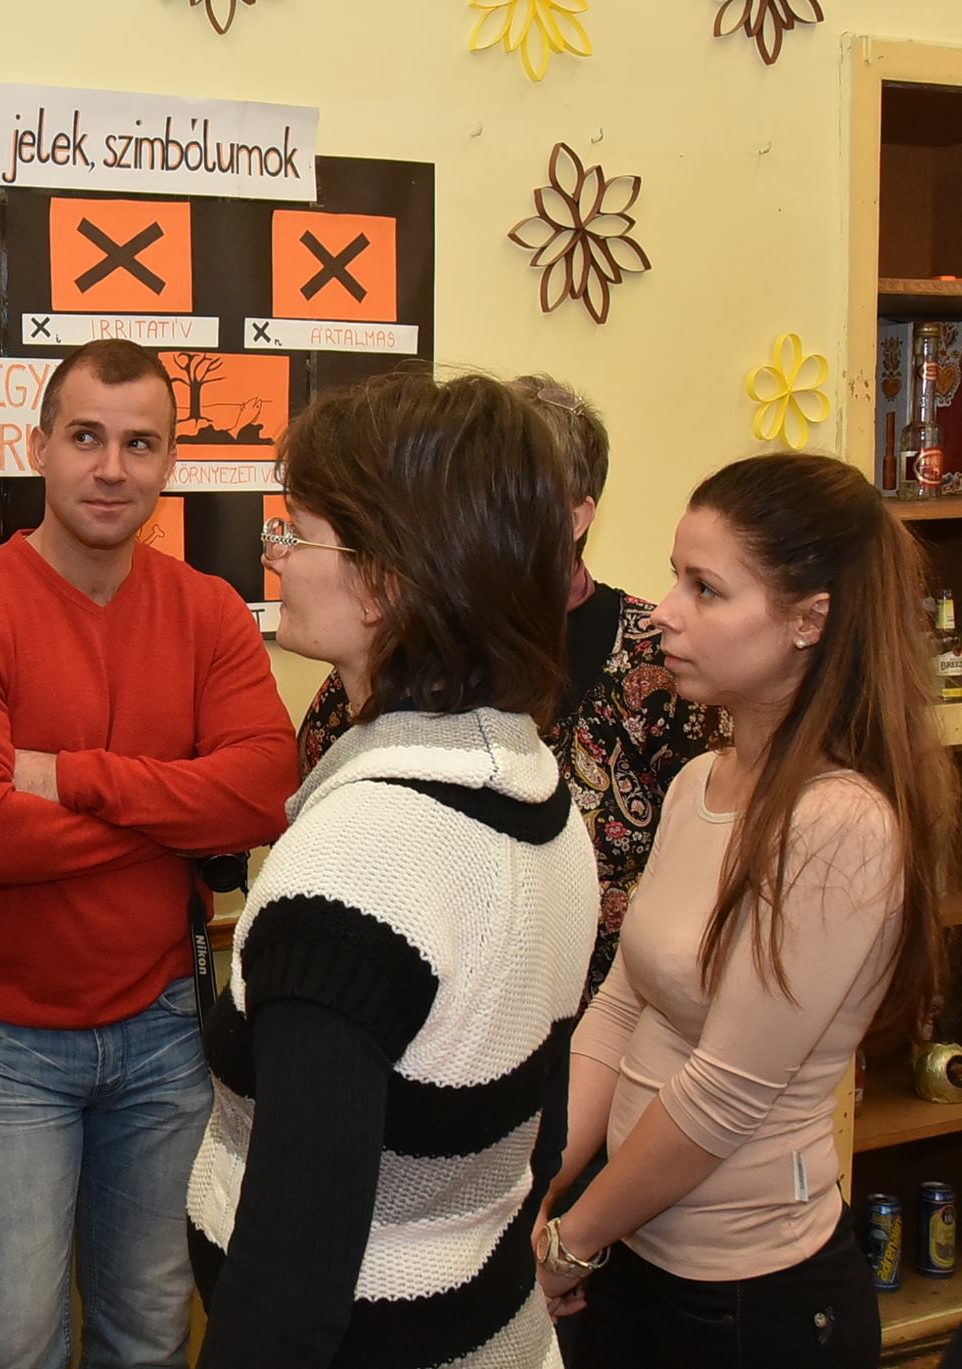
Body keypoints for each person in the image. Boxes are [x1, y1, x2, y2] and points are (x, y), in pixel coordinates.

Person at [187, 371, 600, 1368]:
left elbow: (290, 1289)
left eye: (295, 532)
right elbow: (537, 1142)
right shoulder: (540, 794)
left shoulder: (354, 866)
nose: (274, 557)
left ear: (384, 578)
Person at [0, 338, 298, 1369]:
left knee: (149, 1334)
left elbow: (264, 790)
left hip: (164, 1029)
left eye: (139, 444)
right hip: (5, 1042)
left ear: (170, 463)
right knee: (9, 1342)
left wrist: (70, 777)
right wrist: (176, 813)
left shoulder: (208, 610)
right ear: (37, 447)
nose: (111, 468)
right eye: (85, 438)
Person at [540, 454, 955, 1367]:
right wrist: (539, 1184)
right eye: (674, 577)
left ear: (810, 620)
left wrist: (570, 1241)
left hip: (746, 1301)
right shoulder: (698, 782)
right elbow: (621, 1007)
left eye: (706, 588)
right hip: (634, 1254)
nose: (665, 611)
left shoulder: (841, 822)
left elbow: (724, 1093)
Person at [293, 374, 726, 1004]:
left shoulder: (661, 664)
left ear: (576, 516)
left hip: (620, 1019)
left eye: (504, 493)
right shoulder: (393, 650)